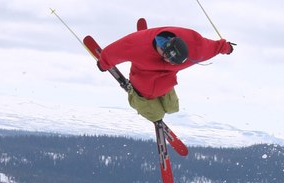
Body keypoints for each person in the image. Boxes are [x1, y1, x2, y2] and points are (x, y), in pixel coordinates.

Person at [97, 23, 235, 122]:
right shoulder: (137, 45)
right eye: (170, 60)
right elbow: (114, 51)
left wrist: (226, 47)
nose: (171, 64)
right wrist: (103, 63)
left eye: (175, 63)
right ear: (164, 50)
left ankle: (161, 101)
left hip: (166, 85)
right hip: (142, 88)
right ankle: (135, 96)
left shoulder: (196, 47)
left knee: (173, 109)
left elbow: (213, 47)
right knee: (156, 115)